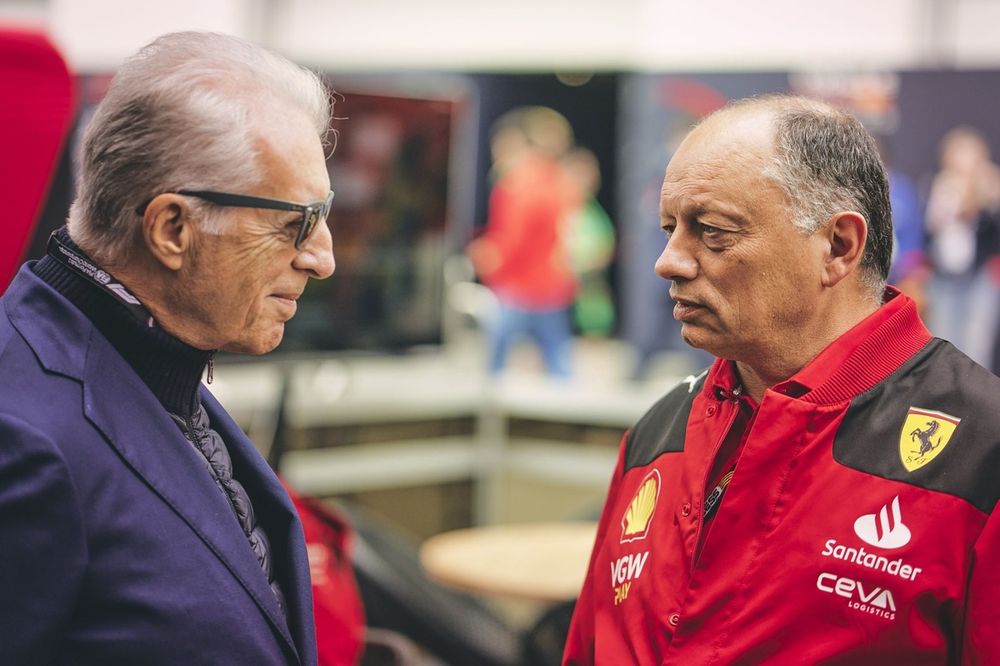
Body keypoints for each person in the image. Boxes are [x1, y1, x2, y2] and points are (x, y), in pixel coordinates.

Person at [564, 95, 1000, 664]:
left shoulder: (980, 451)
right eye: (671, 228)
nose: (669, 261)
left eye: (712, 231)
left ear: (838, 247)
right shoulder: (659, 432)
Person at [0, 32, 337, 665]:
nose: (323, 258)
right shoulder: (19, 434)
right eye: (295, 222)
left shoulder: (149, 365)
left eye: (325, 213)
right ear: (172, 229)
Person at [468, 107, 581, 378]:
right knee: (559, 361)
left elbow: (512, 239)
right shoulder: (563, 182)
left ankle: (488, 415)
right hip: (553, 283)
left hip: (517, 285)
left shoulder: (516, 183)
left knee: (496, 362)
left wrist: (487, 258)